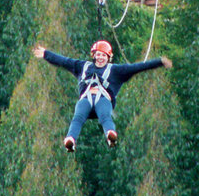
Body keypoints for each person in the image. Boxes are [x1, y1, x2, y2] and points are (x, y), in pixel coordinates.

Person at [32, 40, 172, 151]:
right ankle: (70, 139)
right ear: (94, 56)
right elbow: (63, 61)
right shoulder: (83, 66)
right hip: (86, 99)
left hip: (103, 100)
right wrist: (46, 54)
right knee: (78, 117)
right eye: (98, 55)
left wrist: (159, 62)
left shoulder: (116, 70)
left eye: (103, 56)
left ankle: (110, 134)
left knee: (105, 116)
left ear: (108, 57)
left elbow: (138, 67)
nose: (100, 58)